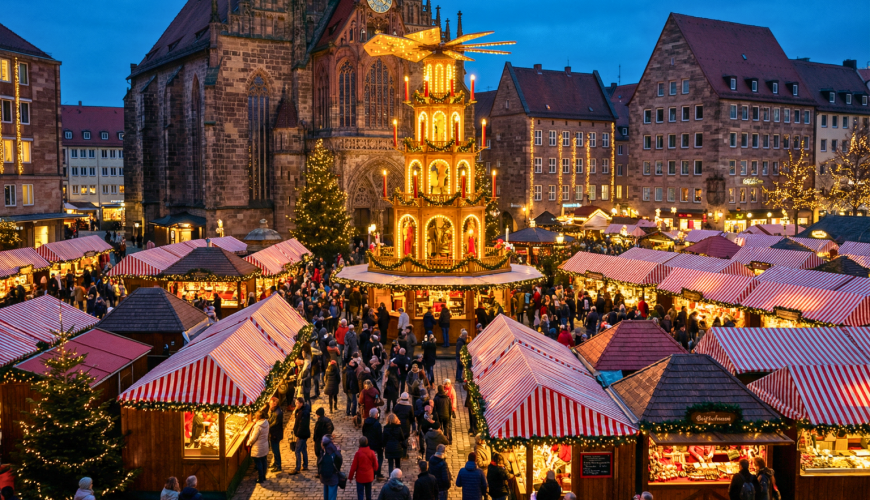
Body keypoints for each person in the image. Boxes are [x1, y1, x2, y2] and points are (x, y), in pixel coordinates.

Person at [247, 409, 270, 483]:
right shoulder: (266, 422)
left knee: (258, 462)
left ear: (258, 417)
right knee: (264, 461)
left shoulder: (258, 426)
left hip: (258, 447)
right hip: (264, 445)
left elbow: (254, 438)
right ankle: (263, 476)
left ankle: (260, 478)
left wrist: (249, 442)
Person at [289, 398, 311, 475]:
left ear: (301, 403)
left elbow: (302, 425)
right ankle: (305, 465)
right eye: (296, 403)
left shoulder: (303, 413)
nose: (296, 404)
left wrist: (298, 433)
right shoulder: (301, 410)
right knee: (303, 449)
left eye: (297, 403)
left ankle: (297, 468)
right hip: (303, 434)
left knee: (297, 450)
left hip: (302, 435)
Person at [318, 435, 343, 500]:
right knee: (332, 496)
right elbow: (339, 463)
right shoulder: (334, 451)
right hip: (333, 478)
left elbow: (319, 464)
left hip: (324, 477)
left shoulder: (322, 452)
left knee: (326, 495)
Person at [362, 408, 385, 480]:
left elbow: (363, 432)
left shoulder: (366, 422)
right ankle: (378, 472)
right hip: (377, 444)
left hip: (368, 443)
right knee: (380, 457)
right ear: (375, 415)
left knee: (370, 458)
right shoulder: (377, 424)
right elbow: (379, 435)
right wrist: (382, 445)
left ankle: (371, 472)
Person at [268, 396, 284, 472]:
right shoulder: (273, 410)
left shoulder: (278, 413)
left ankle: (278, 466)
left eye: (271, 403)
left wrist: (267, 426)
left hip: (275, 434)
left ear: (275, 403)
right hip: (273, 434)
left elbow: (274, 424)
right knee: (274, 450)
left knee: (276, 450)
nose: (269, 404)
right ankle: (275, 463)